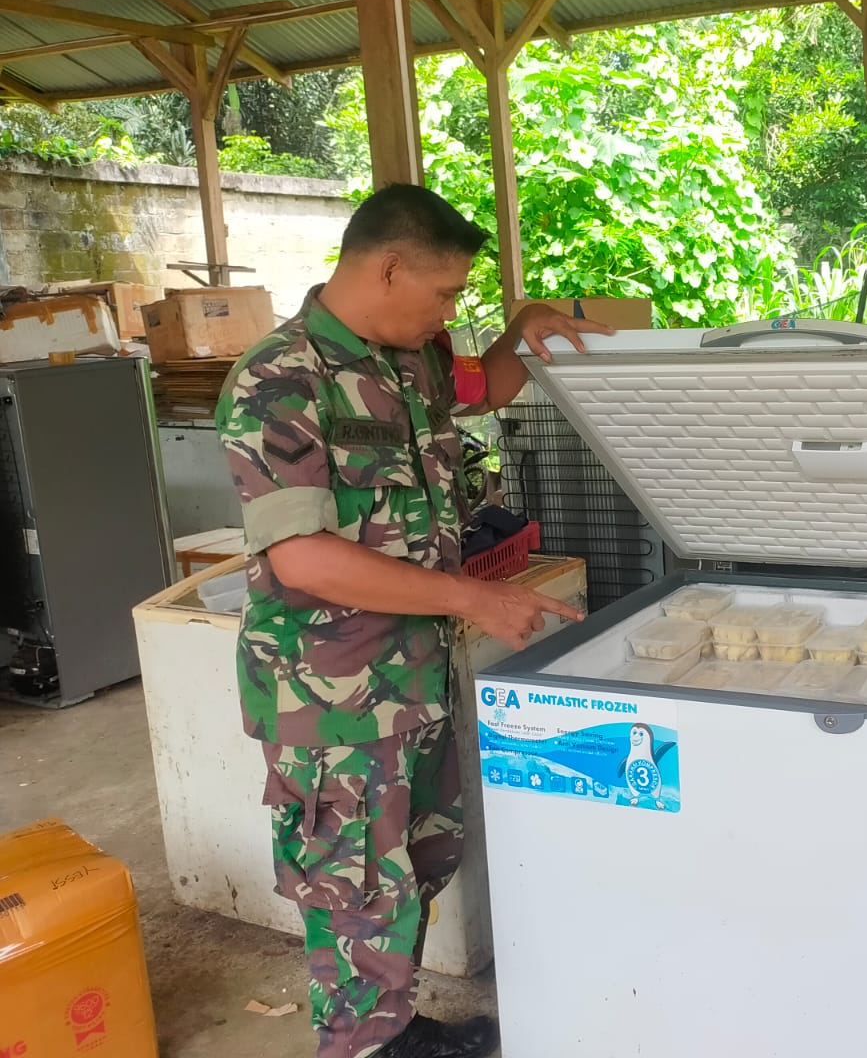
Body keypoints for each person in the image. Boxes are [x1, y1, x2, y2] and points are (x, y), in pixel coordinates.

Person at [216, 183, 612, 1058]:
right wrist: (474, 597)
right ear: (389, 268)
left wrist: (525, 328)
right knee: (355, 888)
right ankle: (362, 1045)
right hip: (332, 696)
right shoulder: (281, 379)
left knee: (417, 864)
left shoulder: (412, 358)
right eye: (445, 292)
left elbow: (489, 386)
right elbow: (302, 558)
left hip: (412, 676)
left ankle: (392, 1030)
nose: (451, 312)